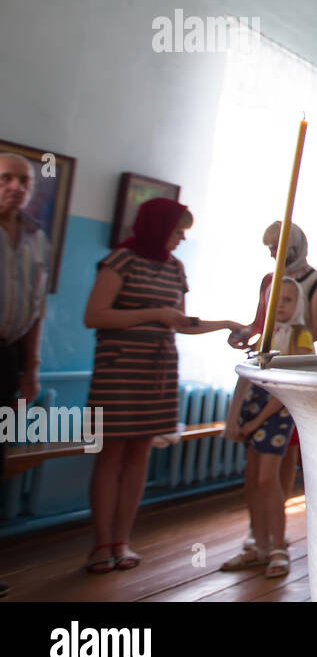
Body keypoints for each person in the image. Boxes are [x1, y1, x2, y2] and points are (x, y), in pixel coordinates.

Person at [82, 198, 241, 572]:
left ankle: (122, 540)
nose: (182, 238)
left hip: (158, 372)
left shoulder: (175, 269)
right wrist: (154, 313)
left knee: (139, 455)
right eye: (177, 230)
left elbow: (181, 321)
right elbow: (95, 315)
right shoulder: (121, 260)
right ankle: (101, 544)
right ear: (157, 226)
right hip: (119, 372)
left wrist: (229, 325)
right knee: (111, 456)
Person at [228, 221, 317, 509]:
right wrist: (247, 335)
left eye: (276, 247)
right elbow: (261, 324)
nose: (272, 254)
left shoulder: (316, 281)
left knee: (288, 445)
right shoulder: (269, 280)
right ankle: (262, 527)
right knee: (259, 450)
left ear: (293, 247)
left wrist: (291, 331)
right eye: (270, 248)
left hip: (295, 365)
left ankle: (278, 518)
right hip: (267, 366)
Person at [220, 276, 313, 578]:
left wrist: (257, 422)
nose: (282, 305)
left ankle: (277, 546)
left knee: (266, 479)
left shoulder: (300, 337)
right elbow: (245, 378)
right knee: (251, 479)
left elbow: (288, 388)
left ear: (298, 303)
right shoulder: (265, 337)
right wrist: (234, 419)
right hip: (253, 413)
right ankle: (258, 544)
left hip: (276, 414)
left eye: (288, 299)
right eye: (277, 300)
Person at [0, 153, 50, 598]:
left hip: (9, 357)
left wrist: (30, 368)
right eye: (6, 178)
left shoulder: (36, 238)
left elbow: (36, 309)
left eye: (24, 180)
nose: (16, 186)